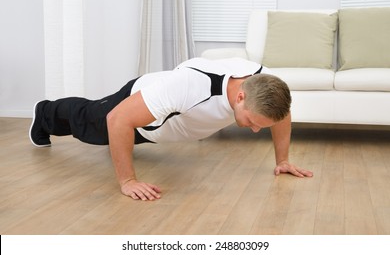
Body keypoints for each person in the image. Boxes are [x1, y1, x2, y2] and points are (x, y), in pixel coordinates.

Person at [29, 57, 313, 201]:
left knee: (110, 132)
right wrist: (127, 182)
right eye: (252, 122)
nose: (254, 130)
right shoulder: (189, 88)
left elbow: (282, 113)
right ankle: (44, 112)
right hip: (140, 108)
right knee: (90, 122)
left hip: (166, 116)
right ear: (240, 97)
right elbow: (118, 120)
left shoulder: (264, 85)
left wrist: (283, 160)